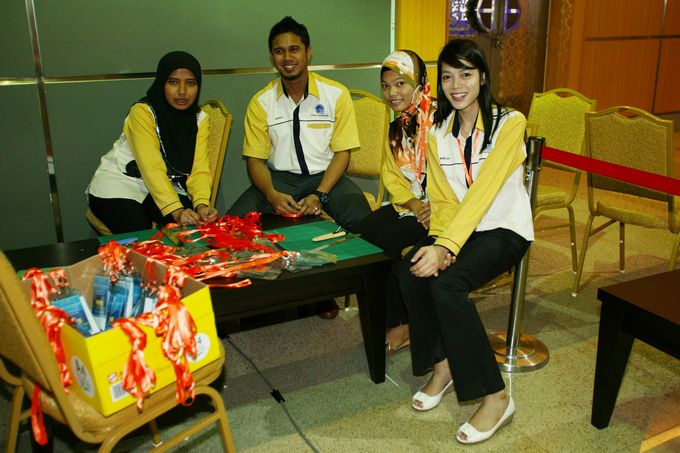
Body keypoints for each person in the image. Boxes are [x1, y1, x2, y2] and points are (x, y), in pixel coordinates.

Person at [397, 39, 533, 444]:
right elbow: (442, 199)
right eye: (447, 77)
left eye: (466, 75)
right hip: (460, 231)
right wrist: (438, 242)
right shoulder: (439, 131)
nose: (456, 85)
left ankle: (496, 396)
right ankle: (443, 366)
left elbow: (484, 191)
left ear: (483, 78)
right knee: (410, 271)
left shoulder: (510, 123)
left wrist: (446, 248)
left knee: (447, 285)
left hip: (505, 228)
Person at [227, 16, 371, 230]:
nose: (287, 57)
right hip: (279, 181)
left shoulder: (336, 94)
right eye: (279, 51)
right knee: (231, 226)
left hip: (327, 178)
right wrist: (271, 195)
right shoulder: (261, 102)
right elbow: (255, 161)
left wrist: (320, 194)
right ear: (271, 56)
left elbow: (343, 153)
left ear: (308, 52)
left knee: (364, 225)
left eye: (294, 49)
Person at [352, 50, 434, 354]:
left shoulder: (441, 122)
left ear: (419, 83)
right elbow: (392, 175)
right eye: (386, 86)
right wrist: (412, 203)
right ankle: (384, 313)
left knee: (387, 244)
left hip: (442, 210)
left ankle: (403, 323)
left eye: (401, 84)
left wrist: (428, 207)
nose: (392, 93)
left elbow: (457, 176)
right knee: (361, 237)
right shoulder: (397, 127)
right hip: (412, 206)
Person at [87, 51, 217, 233]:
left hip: (166, 186)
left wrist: (201, 204)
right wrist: (177, 211)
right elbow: (151, 167)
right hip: (121, 183)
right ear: (161, 83)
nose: (182, 91)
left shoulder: (199, 119)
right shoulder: (142, 112)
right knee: (141, 233)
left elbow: (199, 168)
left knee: (192, 229)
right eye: (173, 82)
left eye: (190, 83)